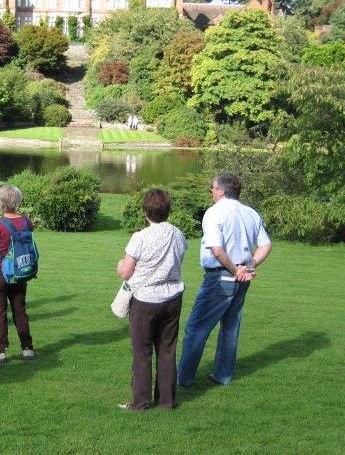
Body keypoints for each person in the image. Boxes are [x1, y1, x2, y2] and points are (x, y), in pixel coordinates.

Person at [177, 172, 272, 387]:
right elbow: (266, 245)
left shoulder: (214, 213)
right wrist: (248, 267)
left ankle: (183, 378)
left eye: (212, 187)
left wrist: (235, 270)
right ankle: (223, 375)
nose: (211, 191)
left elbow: (217, 250)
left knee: (196, 327)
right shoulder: (251, 214)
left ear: (221, 191)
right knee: (230, 327)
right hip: (242, 278)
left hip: (221, 276)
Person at [116, 188, 188, 410]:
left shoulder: (140, 237)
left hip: (145, 300)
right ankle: (166, 401)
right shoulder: (178, 234)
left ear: (146, 212)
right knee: (167, 350)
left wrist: (120, 264)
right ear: (168, 210)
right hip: (172, 298)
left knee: (142, 352)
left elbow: (126, 272)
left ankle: (140, 402)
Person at [0, 185, 35, 364]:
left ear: (0, 203)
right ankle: (27, 348)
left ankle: (0, 352)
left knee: (0, 312)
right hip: (20, 271)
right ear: (17, 202)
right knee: (20, 310)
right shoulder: (27, 222)